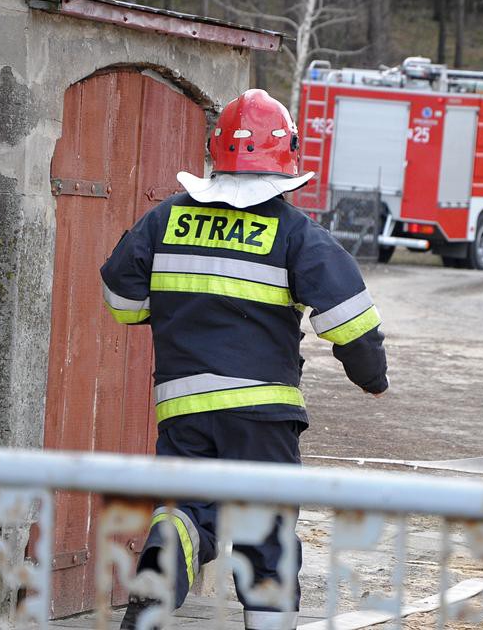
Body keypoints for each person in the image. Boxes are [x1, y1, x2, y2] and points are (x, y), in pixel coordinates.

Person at [101, 89, 388, 630]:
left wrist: (171, 314)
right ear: (287, 155)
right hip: (263, 413)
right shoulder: (296, 233)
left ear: (215, 151)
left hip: (184, 408)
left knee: (187, 512)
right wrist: (372, 378)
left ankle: (154, 588)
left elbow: (121, 299)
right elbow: (352, 320)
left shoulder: (165, 220)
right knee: (264, 527)